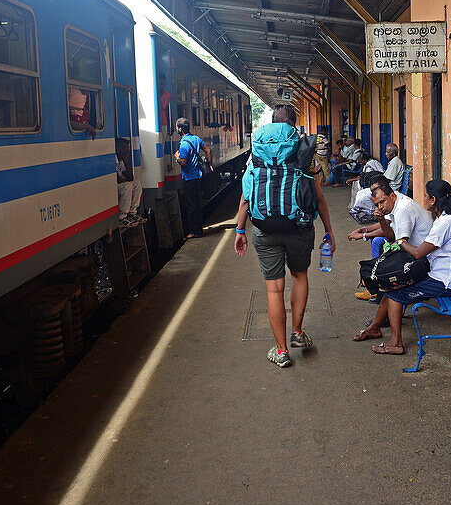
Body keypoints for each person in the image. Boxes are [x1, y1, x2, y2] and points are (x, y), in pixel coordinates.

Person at [234, 104, 335, 368]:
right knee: (299, 276)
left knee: (273, 288)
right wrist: (329, 231)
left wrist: (240, 230)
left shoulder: (256, 154)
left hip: (265, 230)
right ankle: (297, 333)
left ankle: (281, 351)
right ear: (292, 123)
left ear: (271, 123)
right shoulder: (302, 153)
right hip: (299, 227)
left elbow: (246, 199)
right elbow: (319, 199)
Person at [350, 179, 451, 353]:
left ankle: (396, 344)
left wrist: (400, 240)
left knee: (395, 293)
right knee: (393, 285)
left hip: (449, 280)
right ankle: (374, 328)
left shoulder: (445, 223)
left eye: (425, 196)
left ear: (432, 200)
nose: (422, 199)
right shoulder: (444, 219)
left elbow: (417, 253)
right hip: (443, 271)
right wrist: (368, 232)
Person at [348, 177, 433, 301]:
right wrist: (369, 228)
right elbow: (392, 233)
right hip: (415, 251)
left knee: (385, 271)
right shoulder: (395, 202)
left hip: (424, 257)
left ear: (392, 195)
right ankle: (377, 292)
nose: (380, 206)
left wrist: (366, 235)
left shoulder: (402, 209)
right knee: (382, 265)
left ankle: (376, 291)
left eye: (382, 202)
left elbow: (396, 240)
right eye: (377, 204)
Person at [175, 117, 211, 239]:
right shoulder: (195, 139)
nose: (176, 129)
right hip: (198, 177)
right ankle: (198, 229)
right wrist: (210, 164)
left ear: (180, 129)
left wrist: (177, 158)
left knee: (191, 207)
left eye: (176, 127)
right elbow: (208, 150)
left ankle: (194, 232)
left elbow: (183, 162)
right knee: (197, 205)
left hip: (189, 179)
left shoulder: (184, 145)